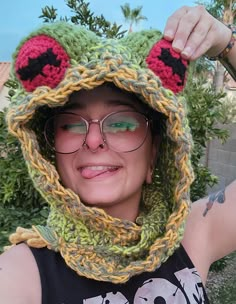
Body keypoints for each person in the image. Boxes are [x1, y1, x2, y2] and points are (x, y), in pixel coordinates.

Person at [0, 5, 236, 304]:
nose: (94, 139)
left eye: (121, 123)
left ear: (155, 155)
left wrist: (226, 43)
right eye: (71, 124)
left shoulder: (194, 235)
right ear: (50, 158)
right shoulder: (21, 274)